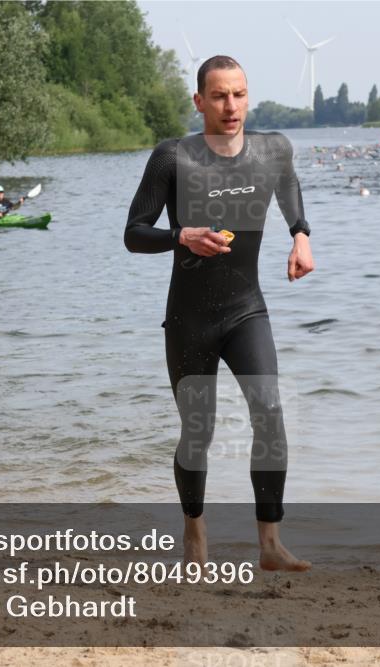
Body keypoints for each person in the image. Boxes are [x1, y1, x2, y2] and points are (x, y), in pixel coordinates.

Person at [124, 55, 314, 572]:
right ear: (199, 101)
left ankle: (270, 544)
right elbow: (133, 234)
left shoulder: (272, 149)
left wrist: (300, 234)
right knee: (198, 432)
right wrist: (179, 235)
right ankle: (194, 530)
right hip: (189, 318)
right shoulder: (172, 158)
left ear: (248, 96)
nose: (231, 106)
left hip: (245, 309)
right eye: (219, 96)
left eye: (239, 94)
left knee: (270, 415)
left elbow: (288, 187)